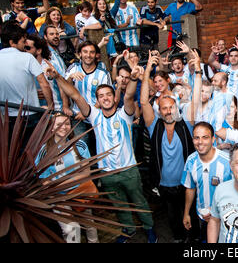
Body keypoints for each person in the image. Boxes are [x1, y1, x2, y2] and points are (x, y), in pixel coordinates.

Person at [46, 56, 157, 244]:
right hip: (107, 173)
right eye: (101, 96)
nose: (105, 98)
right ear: (97, 100)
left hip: (129, 170)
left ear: (114, 97)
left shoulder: (125, 115)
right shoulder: (95, 115)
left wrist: (132, 78)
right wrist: (57, 77)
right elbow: (75, 95)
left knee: (139, 201)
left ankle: (149, 228)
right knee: (119, 205)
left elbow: (129, 96)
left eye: (108, 94)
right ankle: (128, 230)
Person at [141, 51, 202, 243]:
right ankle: (177, 239)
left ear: (177, 108)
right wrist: (147, 70)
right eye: (164, 108)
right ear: (159, 110)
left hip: (187, 183)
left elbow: (196, 98)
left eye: (171, 107)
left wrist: (198, 68)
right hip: (165, 185)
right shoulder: (154, 126)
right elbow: (143, 101)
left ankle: (192, 240)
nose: (168, 111)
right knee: (172, 217)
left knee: (190, 215)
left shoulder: (186, 125)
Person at [35, 112, 98, 243]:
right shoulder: (44, 151)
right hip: (59, 197)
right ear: (52, 127)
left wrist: (64, 183)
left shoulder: (80, 145)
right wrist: (60, 187)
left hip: (80, 192)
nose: (64, 127)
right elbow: (43, 180)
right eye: (59, 124)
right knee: (71, 229)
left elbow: (86, 172)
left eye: (67, 123)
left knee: (89, 224)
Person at [0, 24, 53, 142]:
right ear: (12, 42)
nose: (25, 45)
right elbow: (44, 83)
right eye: (23, 42)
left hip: (7, 117)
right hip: (30, 115)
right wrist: (50, 106)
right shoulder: (27, 58)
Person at [181, 122, 232, 242]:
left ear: (213, 139)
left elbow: (236, 191)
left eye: (205, 137)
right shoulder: (190, 161)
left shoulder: (227, 162)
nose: (200, 142)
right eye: (196, 138)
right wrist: (186, 213)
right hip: (202, 217)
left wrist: (215, 211)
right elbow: (190, 188)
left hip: (225, 218)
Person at [66, 41, 112, 153]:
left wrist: (86, 113)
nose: (88, 55)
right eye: (85, 52)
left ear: (96, 55)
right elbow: (64, 88)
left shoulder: (103, 74)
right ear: (79, 54)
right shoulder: (73, 68)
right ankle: (84, 170)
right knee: (81, 147)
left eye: (92, 52)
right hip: (77, 117)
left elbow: (105, 97)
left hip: (97, 116)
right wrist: (70, 78)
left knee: (102, 146)